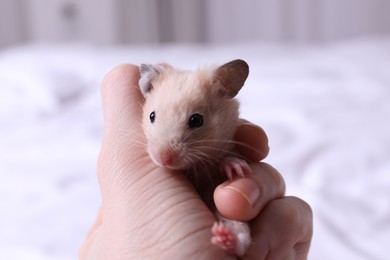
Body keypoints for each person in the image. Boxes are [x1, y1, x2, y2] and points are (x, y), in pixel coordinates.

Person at [79, 64, 313, 259]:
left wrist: (230, 160)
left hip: (220, 216)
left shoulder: (224, 129)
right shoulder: (135, 170)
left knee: (233, 211)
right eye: (153, 117)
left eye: (195, 121)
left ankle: (237, 241)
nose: (164, 155)